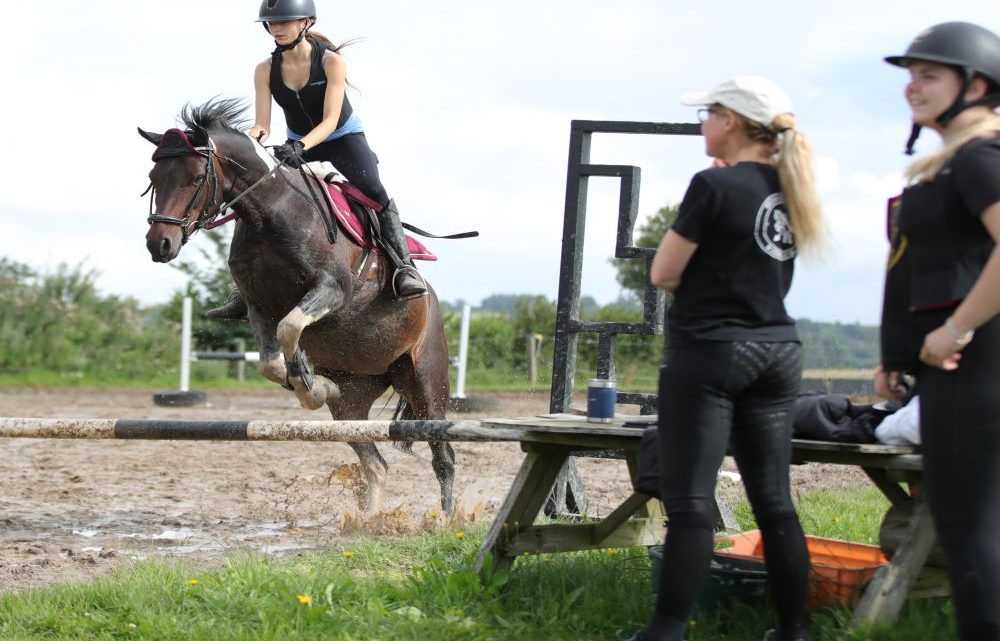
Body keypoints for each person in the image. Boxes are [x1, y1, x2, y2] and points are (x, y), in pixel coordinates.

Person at [630, 76, 824, 641]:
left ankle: (665, 632)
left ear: (733, 121)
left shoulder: (712, 187)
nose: (703, 123)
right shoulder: (792, 185)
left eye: (709, 112)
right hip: (778, 350)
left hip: (711, 351)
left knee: (690, 501)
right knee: (775, 501)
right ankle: (794, 630)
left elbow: (663, 273)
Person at [876, 21, 1000, 641]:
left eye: (929, 75)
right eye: (910, 76)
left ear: (976, 85)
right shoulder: (950, 164)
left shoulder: (980, 157)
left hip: (976, 366)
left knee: (971, 527)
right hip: (953, 369)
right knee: (968, 524)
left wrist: (955, 329)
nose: (913, 88)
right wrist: (896, 353)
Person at [209, 0, 425, 321]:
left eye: (284, 22)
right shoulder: (265, 70)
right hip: (298, 144)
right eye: (271, 24)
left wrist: (300, 146)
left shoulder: (332, 63)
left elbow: (330, 121)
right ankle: (246, 289)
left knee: (375, 192)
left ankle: (405, 268)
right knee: (259, 195)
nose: (276, 28)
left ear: (307, 22)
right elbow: (263, 125)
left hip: (342, 140)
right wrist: (247, 143)